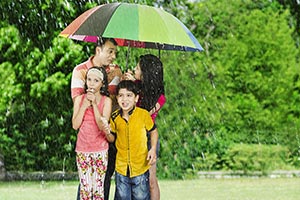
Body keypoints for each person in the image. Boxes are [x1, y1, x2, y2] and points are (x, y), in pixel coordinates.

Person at [71, 37, 122, 200]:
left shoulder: (116, 71)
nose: (113, 56)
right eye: (110, 51)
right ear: (98, 50)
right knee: (86, 185)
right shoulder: (80, 70)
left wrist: (127, 82)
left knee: (103, 181)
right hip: (87, 135)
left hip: (109, 133)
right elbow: (79, 102)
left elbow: (120, 100)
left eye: (115, 52)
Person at [123, 54, 166, 200]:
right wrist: (128, 86)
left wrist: (133, 88)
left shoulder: (159, 97)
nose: (134, 70)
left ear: (146, 73)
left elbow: (142, 115)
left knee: (150, 181)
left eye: (137, 68)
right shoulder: (136, 87)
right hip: (131, 136)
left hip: (147, 138)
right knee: (132, 180)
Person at [107, 80, 158, 200]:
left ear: (136, 98)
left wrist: (153, 149)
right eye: (121, 96)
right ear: (117, 98)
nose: (125, 99)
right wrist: (106, 131)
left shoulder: (143, 115)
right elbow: (112, 138)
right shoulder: (114, 117)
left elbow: (154, 131)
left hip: (140, 167)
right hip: (121, 168)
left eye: (129, 95)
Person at [72, 66, 112, 200]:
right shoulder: (79, 99)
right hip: (83, 150)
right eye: (89, 79)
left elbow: (102, 126)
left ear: (102, 83)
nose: (91, 83)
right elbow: (75, 125)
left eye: (96, 80)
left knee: (98, 189)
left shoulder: (106, 101)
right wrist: (84, 106)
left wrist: (94, 104)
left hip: (100, 150)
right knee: (85, 190)